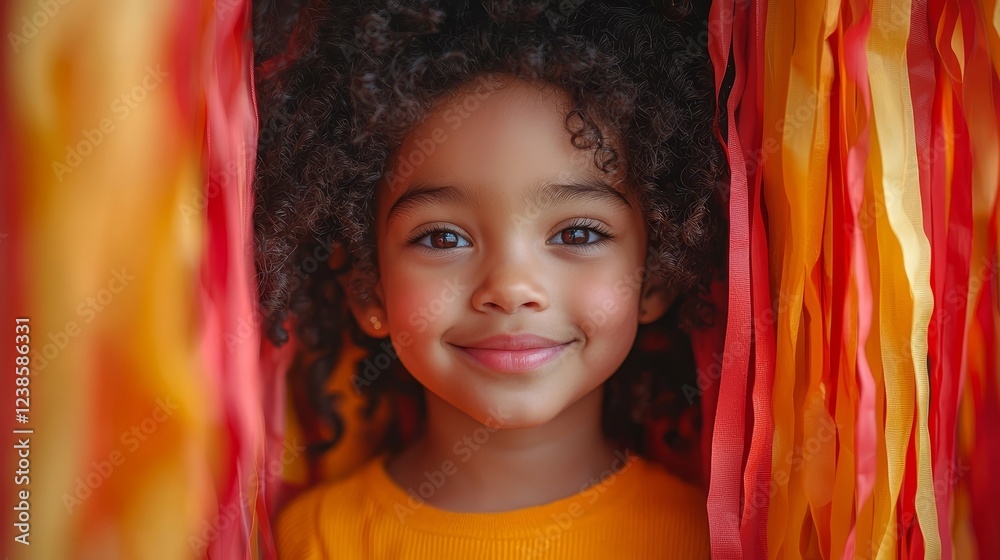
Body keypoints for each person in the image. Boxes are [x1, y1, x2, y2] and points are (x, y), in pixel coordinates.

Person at [253, 0, 725, 557]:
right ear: (369, 290)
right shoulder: (316, 539)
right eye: (443, 238)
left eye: (576, 234)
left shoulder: (708, 540)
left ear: (653, 281)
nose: (509, 287)